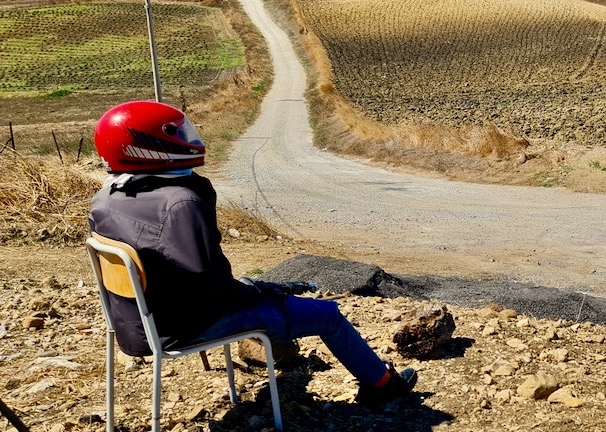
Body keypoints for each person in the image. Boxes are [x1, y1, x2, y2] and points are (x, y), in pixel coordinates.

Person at [88, 100, 415, 407]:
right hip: (182, 327)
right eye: (176, 134)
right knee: (327, 317)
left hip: (137, 324)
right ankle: (383, 386)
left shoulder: (106, 197)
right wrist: (257, 293)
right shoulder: (179, 202)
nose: (188, 139)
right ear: (147, 147)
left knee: (260, 294)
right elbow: (210, 284)